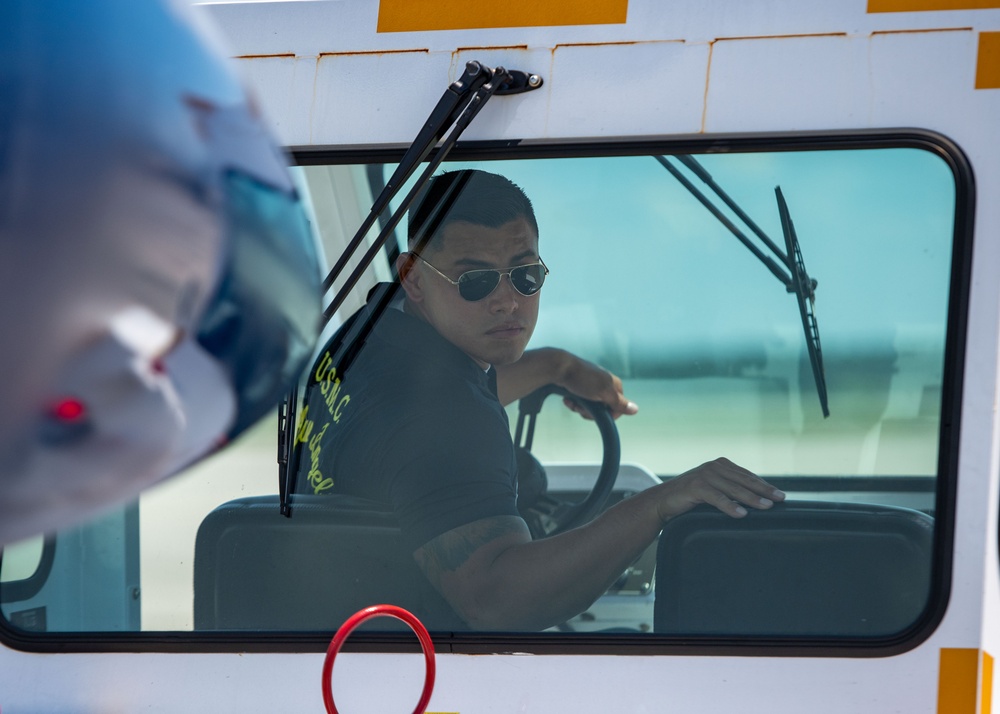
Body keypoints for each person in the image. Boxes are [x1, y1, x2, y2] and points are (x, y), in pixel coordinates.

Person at [294, 169, 784, 631]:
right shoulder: (447, 418)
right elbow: (496, 599)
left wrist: (556, 366)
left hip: (321, 621)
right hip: (409, 668)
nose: (507, 301)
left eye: (525, 275)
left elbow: (409, 416)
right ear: (415, 278)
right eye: (476, 280)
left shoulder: (370, 332)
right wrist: (658, 505)